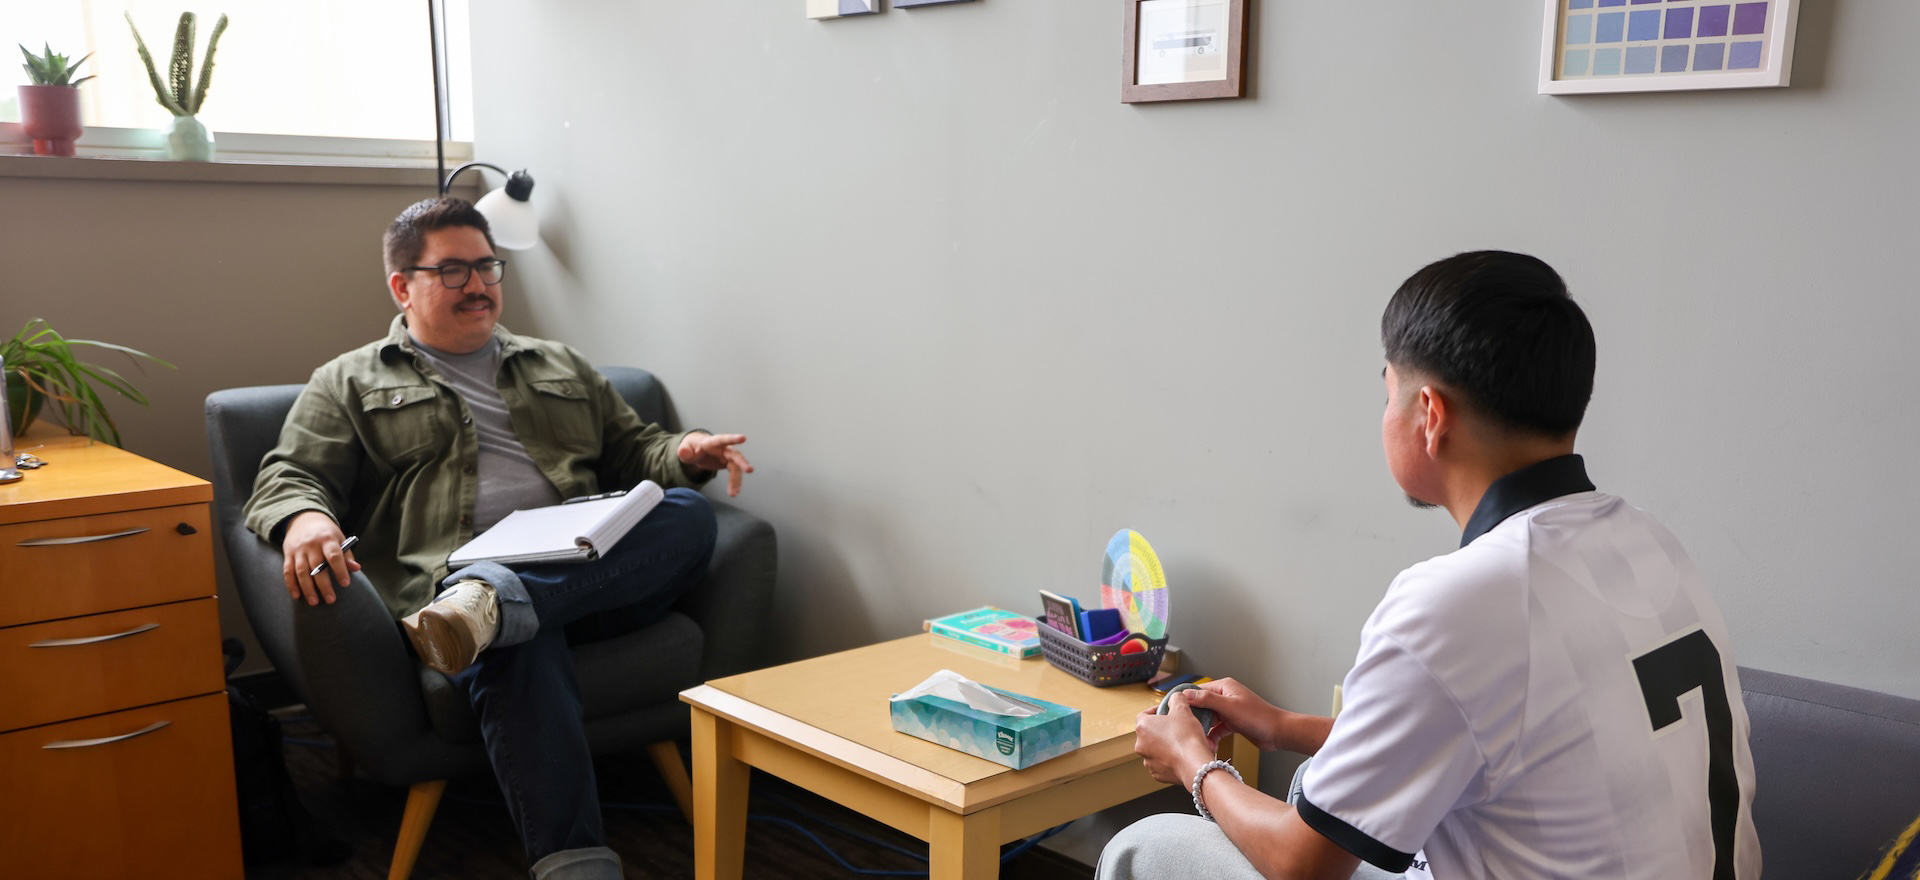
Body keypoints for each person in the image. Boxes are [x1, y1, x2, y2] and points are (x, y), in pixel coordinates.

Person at [1098, 251, 1761, 879]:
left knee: (1143, 849)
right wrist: (1284, 728)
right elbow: (1504, 743)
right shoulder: (1650, 543)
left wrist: (1192, 762)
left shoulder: (1462, 602)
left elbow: (1302, 864)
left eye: (1389, 393)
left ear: (1430, 415)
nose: (1385, 415)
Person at [243, 196, 754, 880]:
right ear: (402, 286)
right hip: (452, 585)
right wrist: (306, 518)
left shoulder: (560, 364)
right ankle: (576, 865)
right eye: (453, 271)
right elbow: (289, 474)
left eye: (488, 267)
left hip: (587, 574)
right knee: (514, 637)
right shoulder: (350, 380)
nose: (479, 286)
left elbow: (638, 453)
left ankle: (501, 600)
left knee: (685, 512)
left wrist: (688, 450)